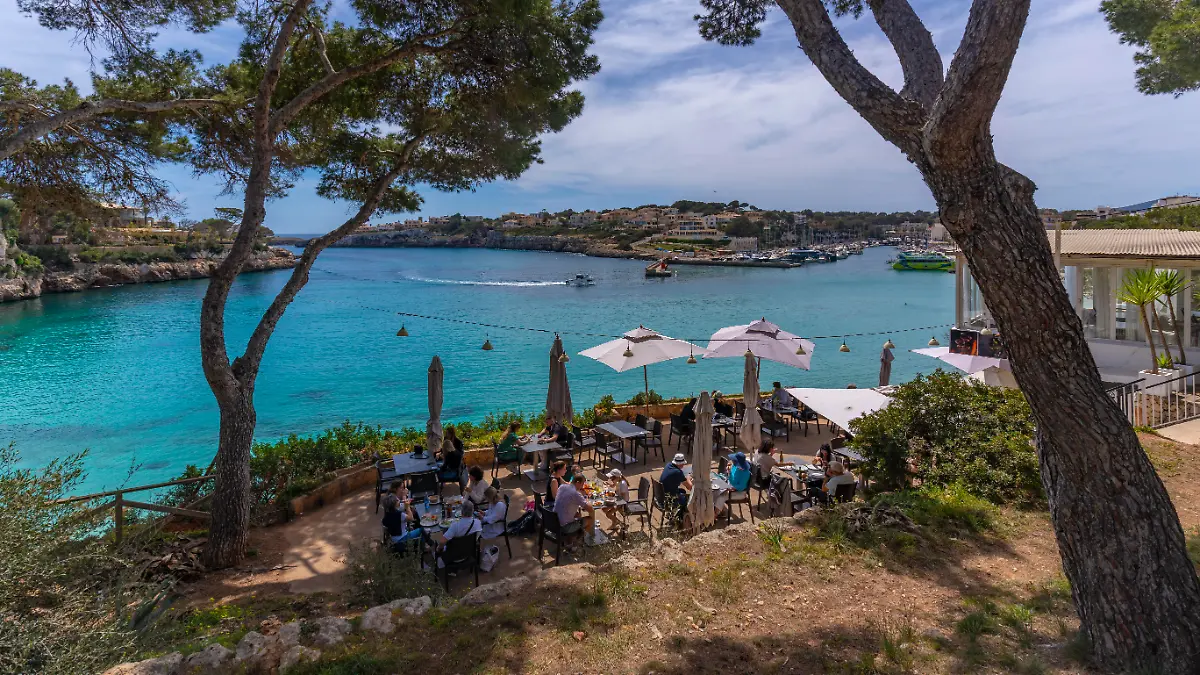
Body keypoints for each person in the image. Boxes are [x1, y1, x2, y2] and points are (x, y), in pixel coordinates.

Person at [553, 474, 596, 545]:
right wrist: (585, 497)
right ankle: (576, 542)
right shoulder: (576, 494)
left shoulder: (562, 487)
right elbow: (590, 509)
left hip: (554, 521)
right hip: (565, 526)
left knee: (578, 515)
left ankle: (570, 539)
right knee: (590, 520)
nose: (582, 487)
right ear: (578, 483)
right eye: (582, 484)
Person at [659, 453, 692, 522]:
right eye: (683, 464)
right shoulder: (678, 472)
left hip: (661, 494)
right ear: (680, 464)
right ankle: (678, 518)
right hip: (668, 498)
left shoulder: (668, 465)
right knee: (686, 499)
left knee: (682, 491)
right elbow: (689, 487)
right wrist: (688, 478)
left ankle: (674, 514)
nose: (683, 465)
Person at [600, 469, 629, 535]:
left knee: (608, 514)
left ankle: (619, 523)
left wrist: (613, 497)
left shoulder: (623, 484)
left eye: (612, 477)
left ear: (616, 477)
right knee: (604, 509)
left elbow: (623, 497)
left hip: (622, 503)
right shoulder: (618, 481)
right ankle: (615, 522)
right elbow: (613, 485)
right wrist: (608, 484)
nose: (610, 478)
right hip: (617, 500)